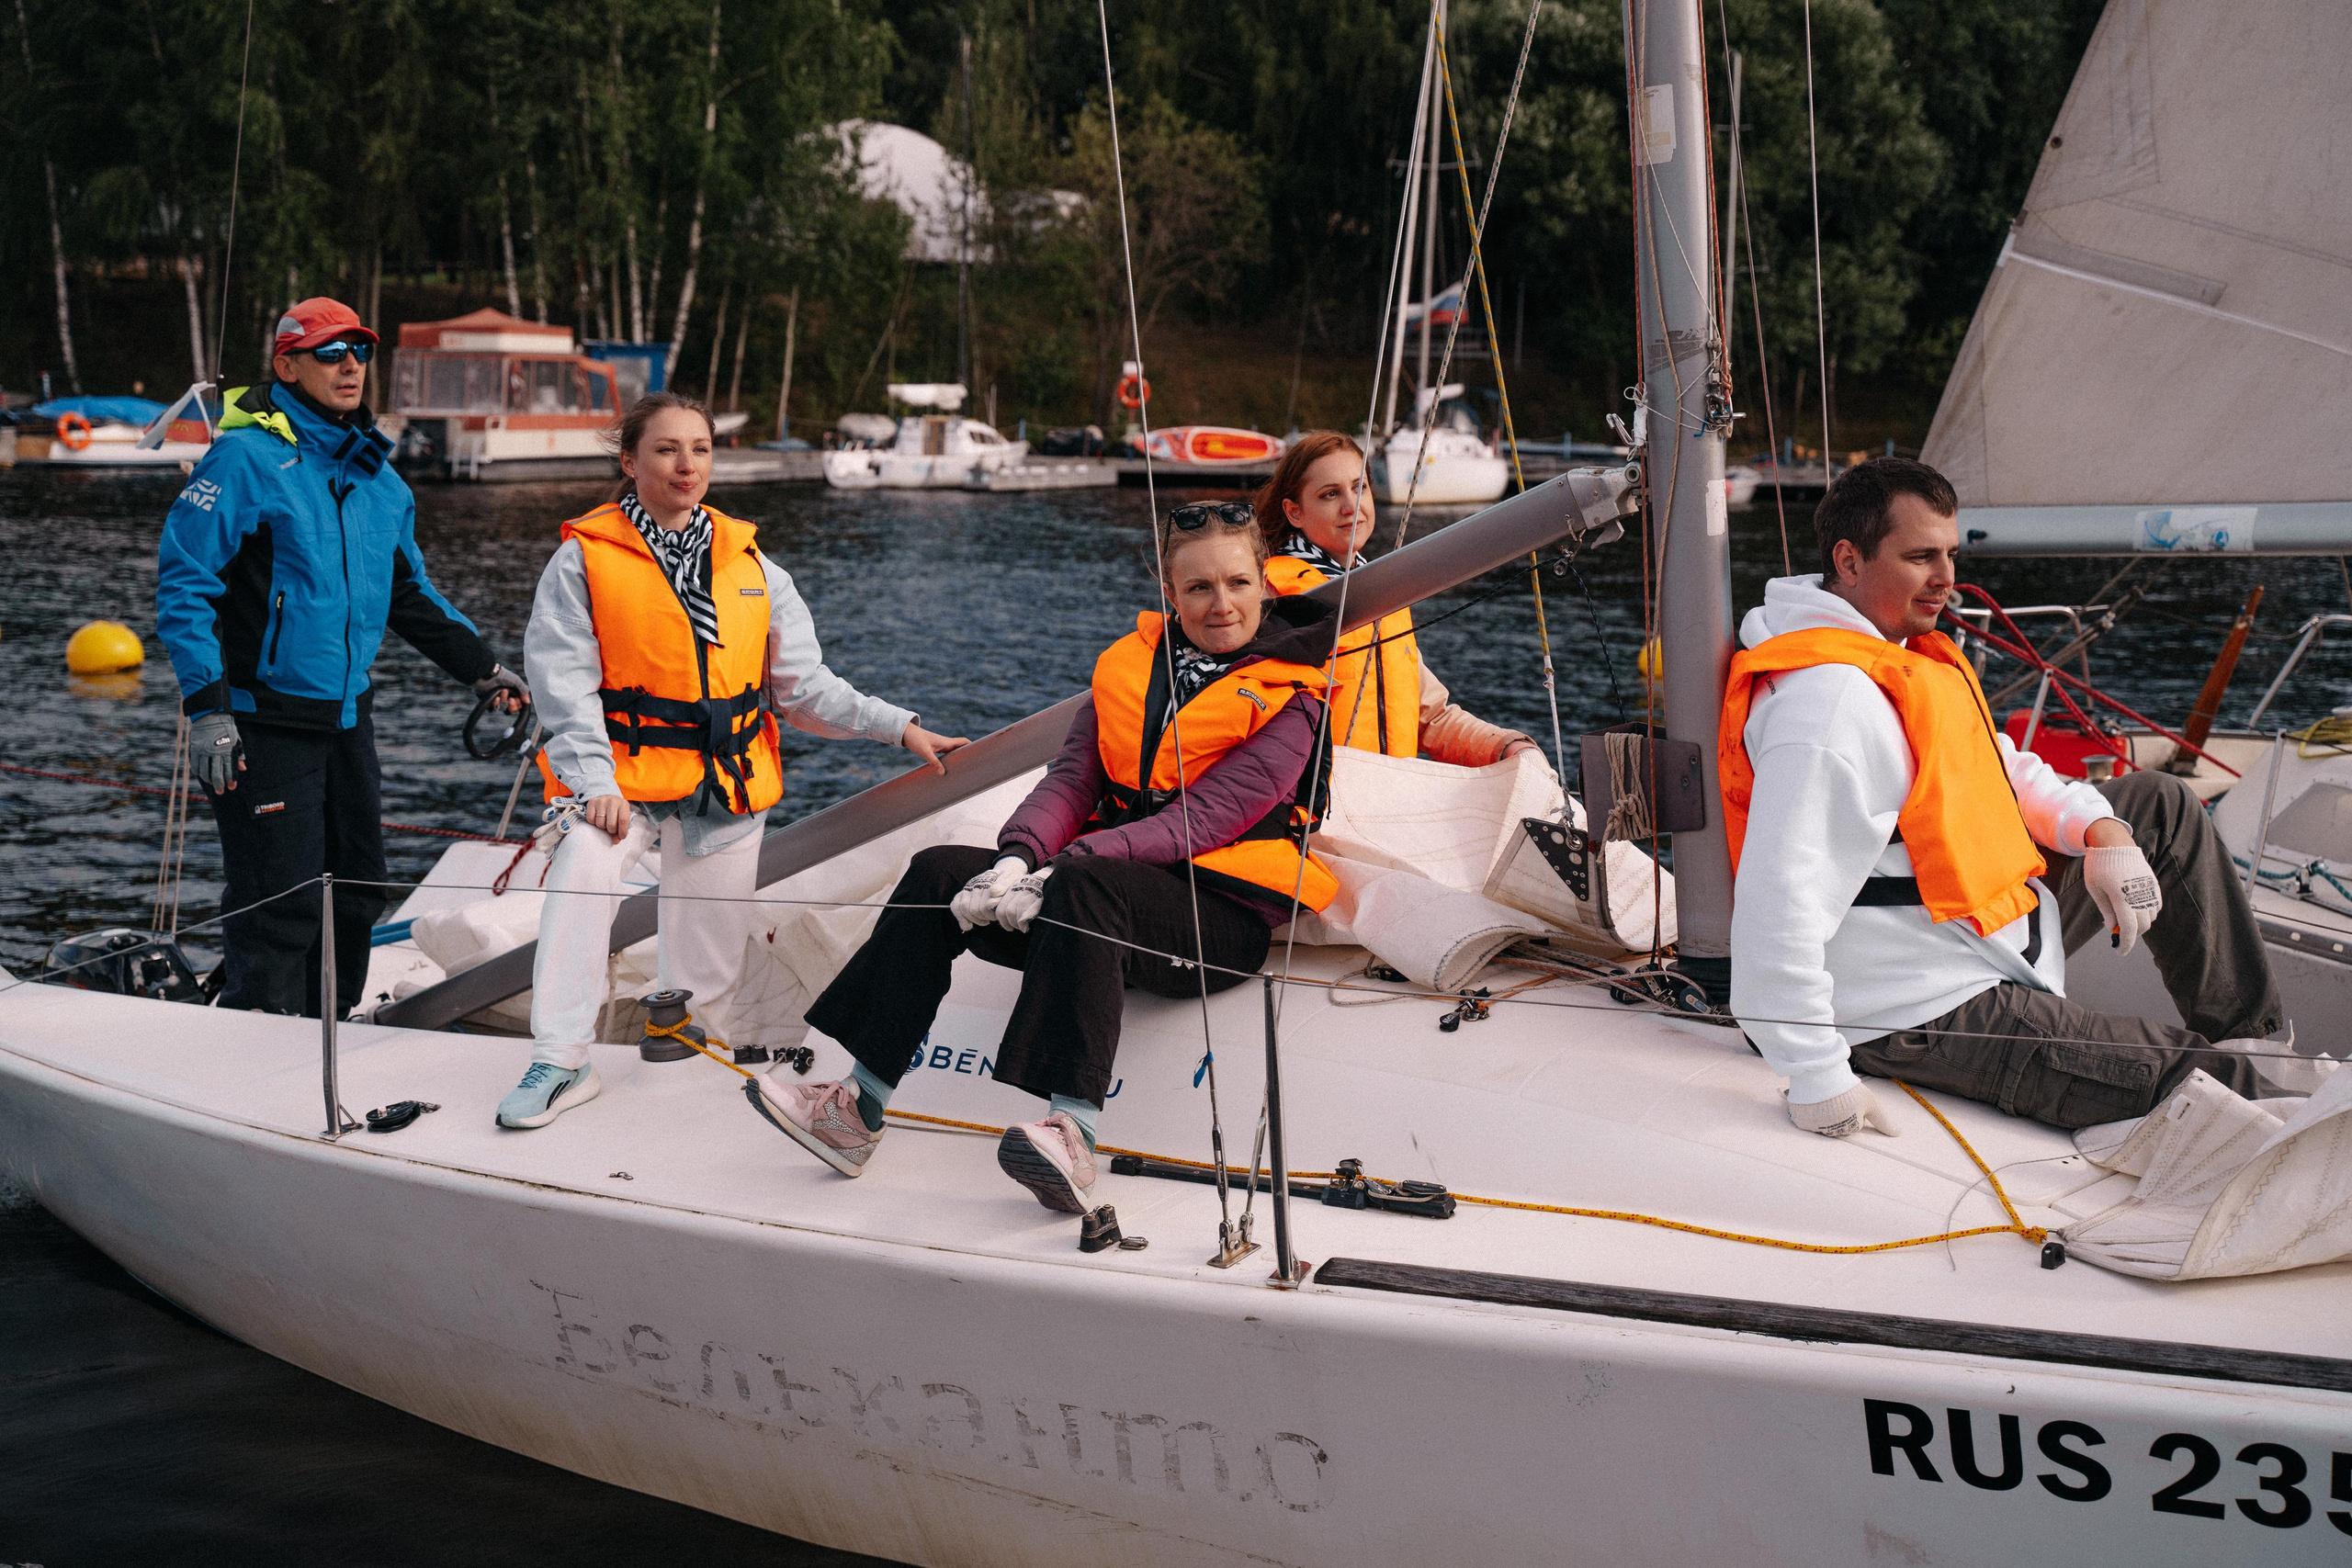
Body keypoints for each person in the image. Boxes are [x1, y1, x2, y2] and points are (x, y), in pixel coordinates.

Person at [776, 502, 1344, 1212]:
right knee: (938, 871)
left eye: (1237, 582)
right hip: (1096, 893)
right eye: (1199, 587)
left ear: (1264, 581)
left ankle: (1073, 1134)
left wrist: (1056, 868)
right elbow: (1072, 781)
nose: (1221, 603)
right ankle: (857, 1108)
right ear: (1169, 590)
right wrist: (1015, 860)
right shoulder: (1130, 670)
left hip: (1216, 922)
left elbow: (1199, 821)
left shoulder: (1296, 697)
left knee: (1085, 881)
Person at [1720, 457, 2287, 1140]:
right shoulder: (1829, 706)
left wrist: (2100, 829)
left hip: (1970, 936)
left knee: (2160, 808)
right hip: (1914, 1005)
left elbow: (1998, 764)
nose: (1946, 578)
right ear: (1848, 560)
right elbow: (1775, 907)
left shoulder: (1892, 654)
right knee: (2209, 1085)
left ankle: (2260, 1047)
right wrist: (1817, 1075)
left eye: (1951, 555)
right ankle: (2277, 1108)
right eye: (1921, 557)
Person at [497, 392, 968, 1129]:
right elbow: (563, 686)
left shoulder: (753, 565)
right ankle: (561, 1059)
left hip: (727, 785)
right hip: (621, 782)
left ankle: (685, 1070)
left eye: (700, 449)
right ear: (630, 461)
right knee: (583, 864)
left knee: (703, 976)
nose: (687, 465)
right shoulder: (581, 560)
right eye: (666, 449)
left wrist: (901, 728)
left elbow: (804, 688)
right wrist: (594, 783)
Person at [156, 297, 525, 1018]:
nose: (350, 364)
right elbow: (185, 586)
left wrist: (483, 668)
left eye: (360, 351)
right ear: (287, 365)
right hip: (261, 722)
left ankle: (332, 1033)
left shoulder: (380, 480)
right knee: (280, 902)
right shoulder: (245, 458)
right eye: (330, 352)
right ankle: (255, 1044)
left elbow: (408, 593)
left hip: (348, 719)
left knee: (357, 890)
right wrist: (208, 711)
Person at [1255, 430, 1538, 764]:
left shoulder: (1384, 593)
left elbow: (1431, 717)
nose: (1351, 506)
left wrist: (1507, 746)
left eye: (1359, 488)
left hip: (1391, 790)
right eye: (1330, 494)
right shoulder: (1267, 594)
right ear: (1294, 512)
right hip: (1320, 794)